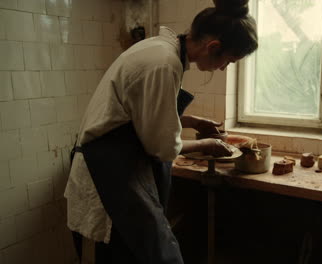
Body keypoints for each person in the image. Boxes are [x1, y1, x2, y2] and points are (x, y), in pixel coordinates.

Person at [64, 0, 258, 263]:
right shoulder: (164, 64)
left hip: (119, 167)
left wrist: (193, 121)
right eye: (229, 61)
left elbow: (142, 115)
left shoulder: (160, 49)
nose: (224, 68)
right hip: (105, 178)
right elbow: (163, 147)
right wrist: (206, 145)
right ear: (213, 47)